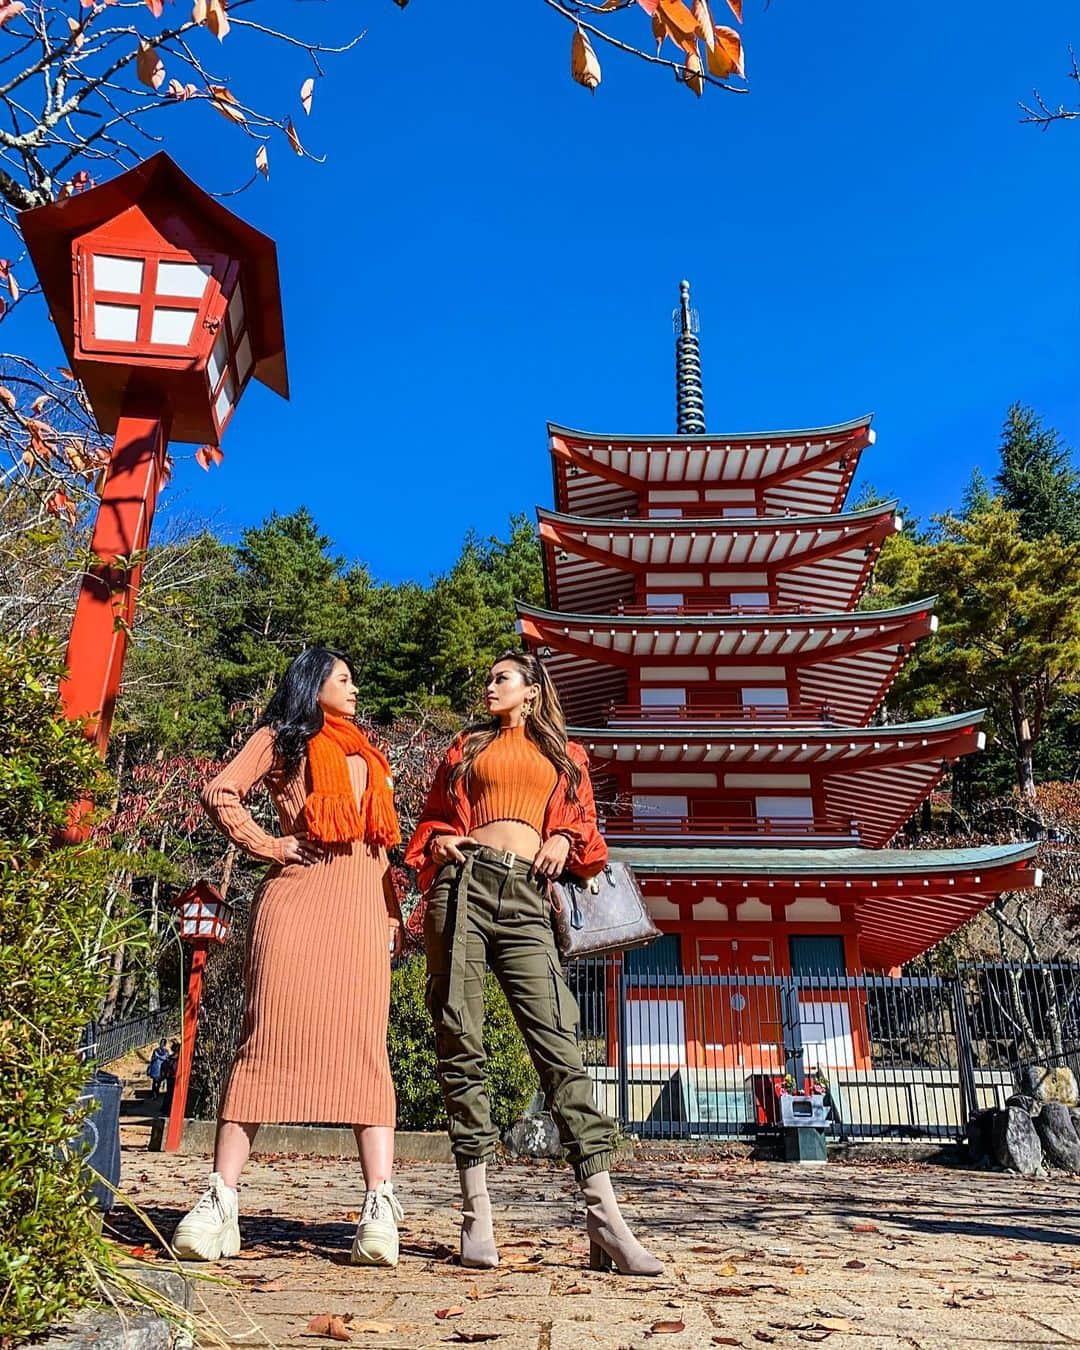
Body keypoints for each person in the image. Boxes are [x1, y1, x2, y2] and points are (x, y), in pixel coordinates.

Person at [405, 650, 662, 1277]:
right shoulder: (465, 747)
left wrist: (560, 839)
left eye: (502, 678)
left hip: (525, 896)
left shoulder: (564, 754)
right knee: (458, 1034)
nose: (489, 686)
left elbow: (587, 834)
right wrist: (439, 840)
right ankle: (476, 1214)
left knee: (559, 1044)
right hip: (460, 887)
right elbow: (432, 819)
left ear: (530, 690)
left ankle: (605, 1218)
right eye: (489, 678)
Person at [171, 648, 404, 1266]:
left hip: (360, 910)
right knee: (265, 1039)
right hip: (297, 904)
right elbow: (220, 791)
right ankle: (221, 1201)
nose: (355, 689)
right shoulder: (281, 739)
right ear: (313, 683)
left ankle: (379, 1205)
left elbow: (380, 850)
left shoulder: (367, 754)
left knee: (364, 1045)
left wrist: (389, 917)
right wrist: (270, 844)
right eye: (344, 679)